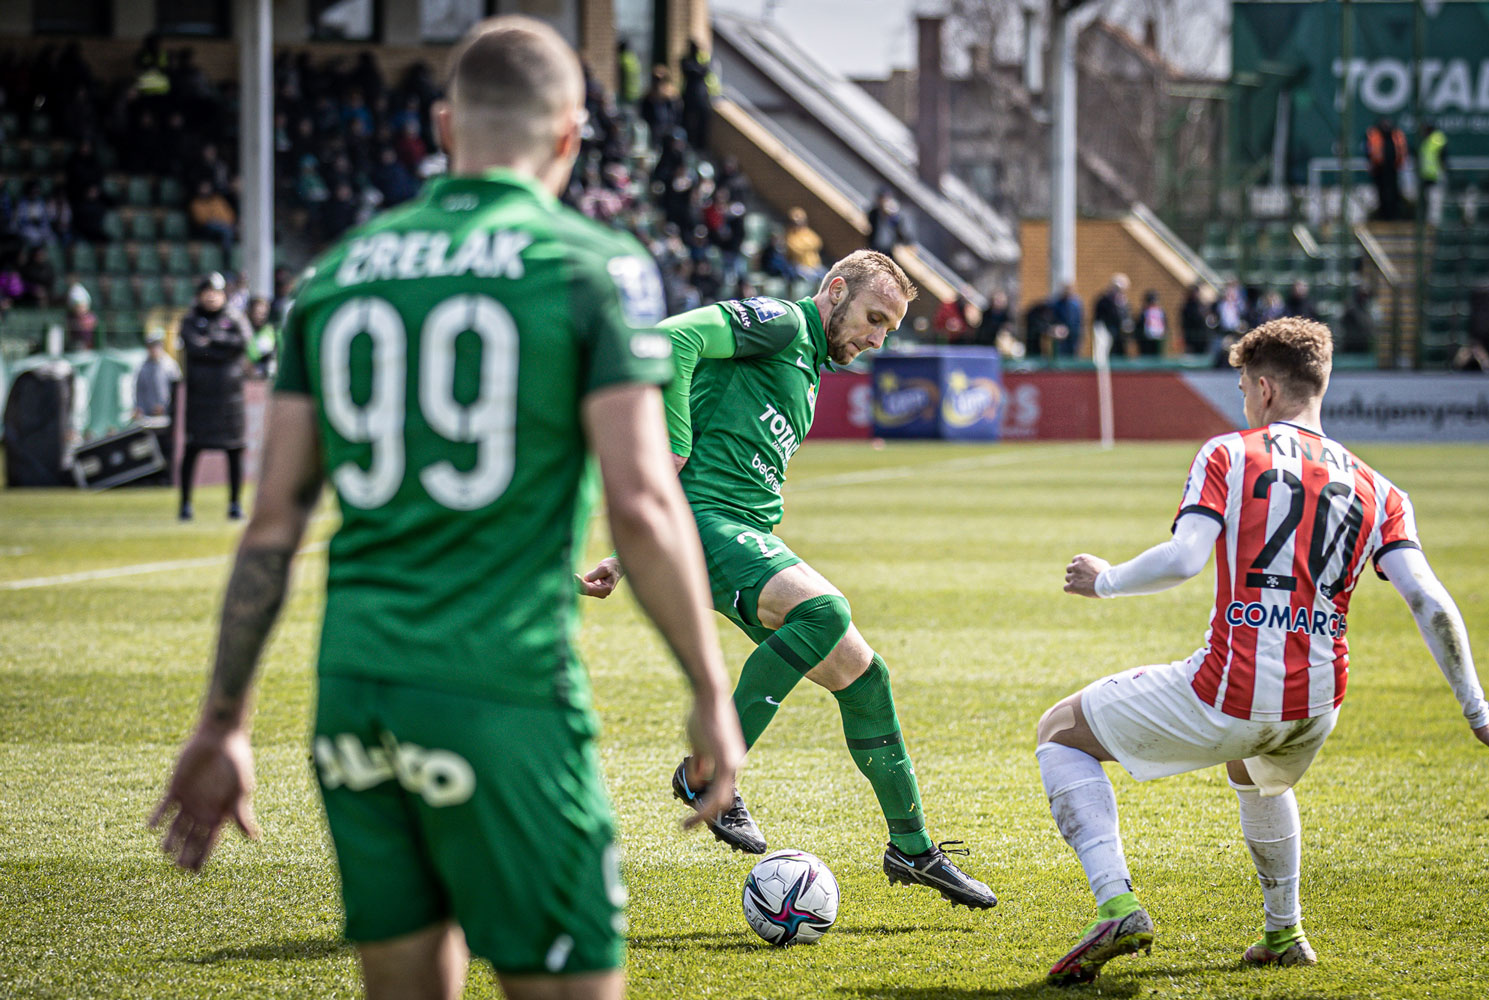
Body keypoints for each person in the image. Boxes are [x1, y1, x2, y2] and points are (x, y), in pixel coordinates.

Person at [150, 18, 743, 1000]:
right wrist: (710, 690)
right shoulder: (596, 266)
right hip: (502, 691)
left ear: (441, 126)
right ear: (568, 136)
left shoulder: (334, 277)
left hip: (356, 695)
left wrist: (223, 722)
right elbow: (640, 500)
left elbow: (271, 528)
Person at [1033, 316, 1489, 985]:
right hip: (1319, 701)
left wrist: (1102, 581)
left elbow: (1186, 558)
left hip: (1233, 687)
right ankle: (1283, 931)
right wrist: (1478, 712)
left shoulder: (1230, 453)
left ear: (1265, 389)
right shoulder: (1381, 490)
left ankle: (1117, 904)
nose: (1245, 405)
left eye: (1247, 392)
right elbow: (1430, 601)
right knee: (1256, 770)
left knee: (1060, 733)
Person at [579, 251, 998, 910]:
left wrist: (636, 553)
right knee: (824, 612)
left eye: (890, 327)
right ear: (834, 291)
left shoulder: (807, 364)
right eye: (873, 317)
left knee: (865, 677)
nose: (878, 339)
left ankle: (913, 850)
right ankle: (709, 771)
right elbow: (672, 338)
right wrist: (673, 448)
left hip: (735, 535)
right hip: (711, 523)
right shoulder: (777, 321)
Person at [176, 272, 251, 521]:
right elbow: (196, 348)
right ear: (199, 295)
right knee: (192, 450)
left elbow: (243, 343)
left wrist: (214, 342)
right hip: (200, 399)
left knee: (234, 450)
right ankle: (185, 504)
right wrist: (221, 349)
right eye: (207, 292)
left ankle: (235, 504)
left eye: (216, 292)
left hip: (231, 400)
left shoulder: (234, 318)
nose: (211, 297)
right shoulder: (190, 320)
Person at [133, 329, 181, 484]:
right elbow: (139, 391)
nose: (153, 349)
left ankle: (168, 478)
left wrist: (166, 407)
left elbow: (177, 392)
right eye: (150, 346)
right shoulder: (142, 367)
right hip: (148, 418)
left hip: (166, 417)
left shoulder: (170, 366)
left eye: (156, 345)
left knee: (167, 448)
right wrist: (138, 407)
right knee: (148, 450)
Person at [1365, 118, 1407, 221]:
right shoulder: (1374, 135)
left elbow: (1402, 151)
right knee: (1382, 193)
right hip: (1379, 169)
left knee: (1394, 192)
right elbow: (1369, 151)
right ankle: (1384, 215)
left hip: (1393, 168)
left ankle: (1394, 215)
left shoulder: (1396, 135)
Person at [1093, 274, 1132, 357]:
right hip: (1106, 332)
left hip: (1120, 335)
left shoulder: (1124, 301)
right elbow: (1099, 318)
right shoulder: (1104, 300)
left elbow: (1126, 316)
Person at [1418, 123, 1448, 223]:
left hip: (1436, 174)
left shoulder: (1437, 140)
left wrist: (1442, 171)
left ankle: (1435, 221)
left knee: (1436, 199)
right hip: (1428, 174)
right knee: (1430, 199)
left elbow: (1442, 157)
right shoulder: (1428, 141)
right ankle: (1431, 220)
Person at [1051, 282, 1083, 358]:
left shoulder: (1076, 303)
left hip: (1074, 332)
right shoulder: (1058, 303)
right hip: (1062, 333)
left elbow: (1079, 319)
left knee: (1074, 353)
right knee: (1062, 353)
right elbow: (1054, 317)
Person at [1135, 289, 1166, 356]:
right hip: (1146, 341)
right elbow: (1139, 326)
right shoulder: (1143, 313)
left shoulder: (1161, 312)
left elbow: (1165, 325)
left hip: (1158, 340)